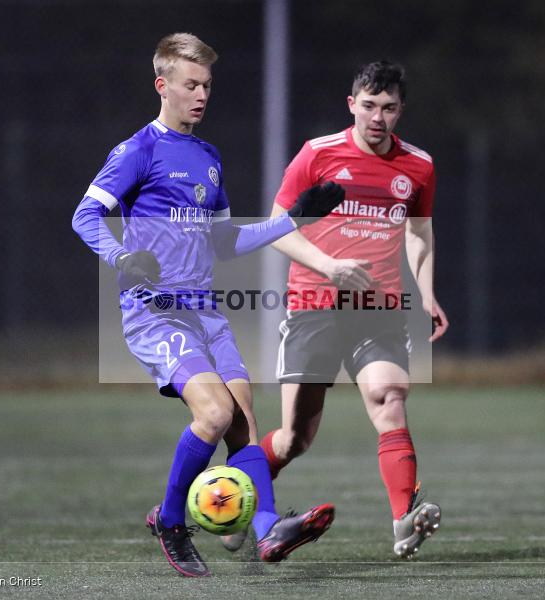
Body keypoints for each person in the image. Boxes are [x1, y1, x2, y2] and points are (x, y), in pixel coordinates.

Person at [71, 33, 342, 577]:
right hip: (155, 309)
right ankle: (171, 521)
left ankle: (268, 532)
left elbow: (224, 242)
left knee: (242, 423)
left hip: (206, 310)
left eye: (207, 86)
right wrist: (125, 259)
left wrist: (293, 222)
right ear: (162, 85)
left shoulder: (208, 157)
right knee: (214, 414)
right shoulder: (138, 150)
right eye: (190, 84)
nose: (200, 95)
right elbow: (84, 217)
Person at [227, 60, 449, 559]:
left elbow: (418, 232)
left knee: (389, 395)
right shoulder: (318, 154)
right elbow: (276, 227)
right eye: (369, 106)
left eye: (389, 108)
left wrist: (427, 292)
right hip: (314, 305)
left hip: (379, 307)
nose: (378, 117)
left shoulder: (419, 165)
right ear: (352, 104)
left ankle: (404, 517)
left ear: (400, 111)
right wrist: (329, 265)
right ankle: (230, 499)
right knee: (293, 440)